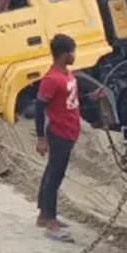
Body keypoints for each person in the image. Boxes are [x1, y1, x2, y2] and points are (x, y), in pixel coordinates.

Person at [34, 34, 84, 242]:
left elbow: (69, 100)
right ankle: (50, 220)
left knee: (53, 172)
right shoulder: (51, 79)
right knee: (55, 176)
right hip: (59, 132)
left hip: (70, 130)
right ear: (64, 55)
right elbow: (39, 108)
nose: (74, 55)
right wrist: (40, 137)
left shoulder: (67, 75)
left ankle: (44, 214)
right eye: (72, 52)